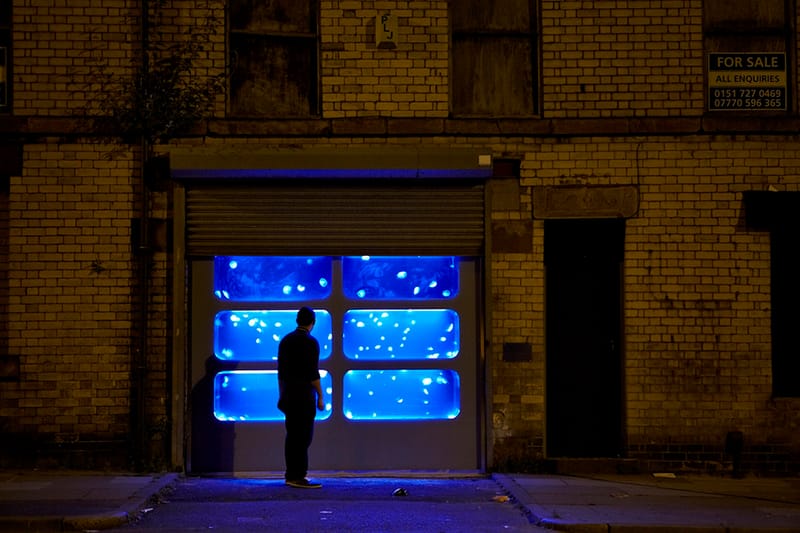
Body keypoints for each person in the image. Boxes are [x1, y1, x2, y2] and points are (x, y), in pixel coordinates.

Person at [277, 306, 325, 488]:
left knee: (292, 436)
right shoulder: (311, 343)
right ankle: (298, 476)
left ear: (297, 320)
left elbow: (281, 373)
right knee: (304, 437)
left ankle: (291, 474)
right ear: (312, 322)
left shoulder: (286, 341)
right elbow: (313, 374)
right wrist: (321, 396)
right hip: (304, 397)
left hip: (289, 396)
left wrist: (282, 395)